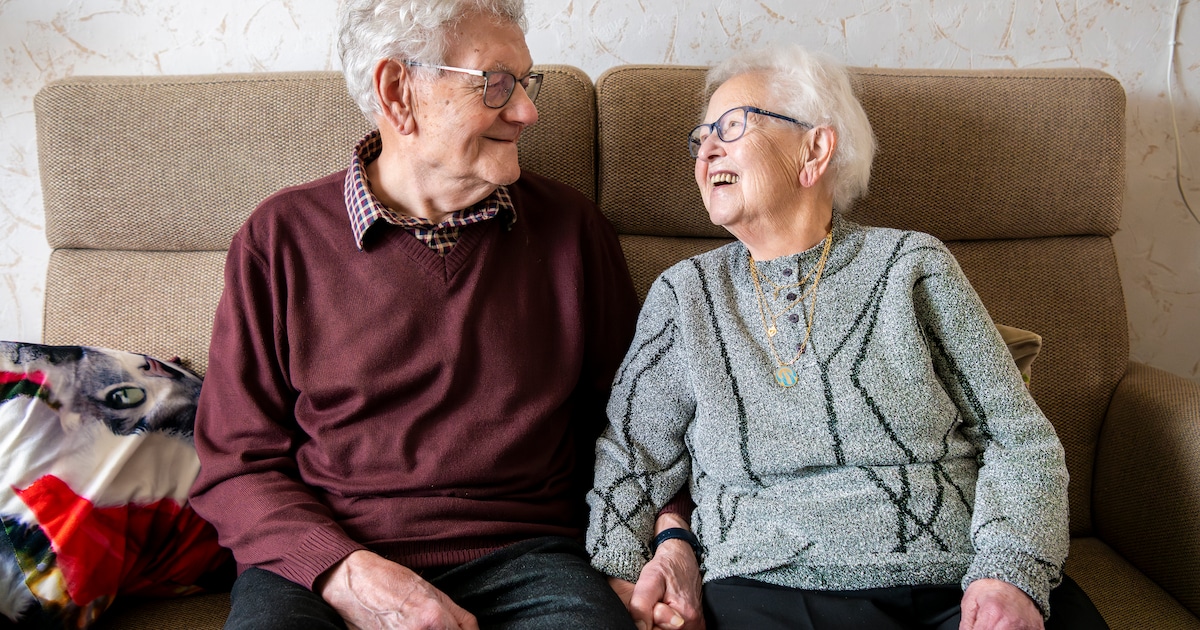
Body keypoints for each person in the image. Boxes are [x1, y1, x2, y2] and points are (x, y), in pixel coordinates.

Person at [586, 45, 1109, 630]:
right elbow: (632, 455)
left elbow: (1019, 439)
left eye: (731, 127)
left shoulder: (911, 265)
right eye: (700, 137)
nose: (706, 150)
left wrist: (1008, 575)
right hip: (770, 585)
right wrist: (626, 580)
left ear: (814, 150)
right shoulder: (686, 295)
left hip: (957, 578)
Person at [188, 1, 647, 628]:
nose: (527, 111)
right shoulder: (280, 238)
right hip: (328, 564)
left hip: (530, 558)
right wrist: (344, 572)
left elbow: (637, 425)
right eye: (497, 83)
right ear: (397, 91)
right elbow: (234, 463)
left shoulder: (572, 230)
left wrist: (648, 545)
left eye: (525, 82)